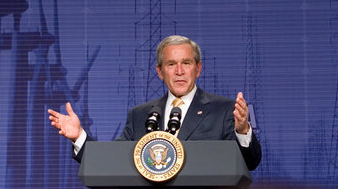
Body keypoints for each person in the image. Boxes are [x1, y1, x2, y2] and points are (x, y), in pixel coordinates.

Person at [48, 34, 262, 170]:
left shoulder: (223, 110)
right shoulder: (140, 115)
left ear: (198, 69)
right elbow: (111, 162)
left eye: (186, 63)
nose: (179, 71)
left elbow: (249, 163)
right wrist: (79, 137)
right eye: (171, 64)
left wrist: (243, 130)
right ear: (159, 71)